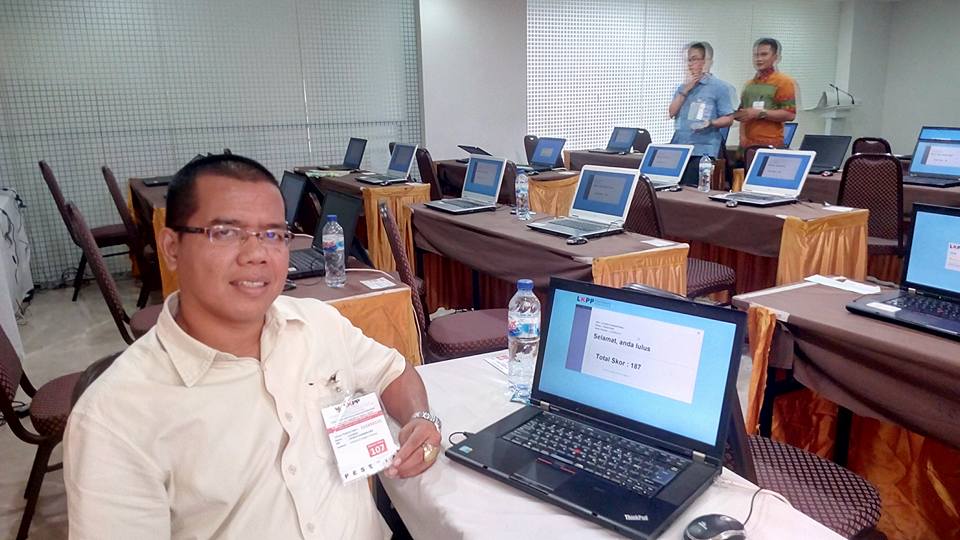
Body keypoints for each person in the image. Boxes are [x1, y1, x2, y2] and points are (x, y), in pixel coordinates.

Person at [64, 154, 441, 539]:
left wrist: (421, 418)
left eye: (273, 234)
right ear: (172, 247)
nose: (256, 254)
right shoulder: (115, 416)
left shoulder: (318, 323)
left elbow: (393, 371)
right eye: (226, 233)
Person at [668, 41, 737, 158]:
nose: (690, 64)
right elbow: (671, 112)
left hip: (703, 149)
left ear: (704, 61)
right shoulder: (682, 87)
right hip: (680, 147)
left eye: (694, 59)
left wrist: (710, 123)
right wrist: (685, 91)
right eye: (688, 60)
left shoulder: (719, 87)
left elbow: (729, 119)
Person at [735, 37, 797, 151]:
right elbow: (743, 114)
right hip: (747, 147)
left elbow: (790, 115)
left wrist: (760, 113)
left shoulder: (784, 82)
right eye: (756, 55)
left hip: (771, 146)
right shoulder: (749, 85)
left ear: (775, 57)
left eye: (764, 54)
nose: (759, 59)